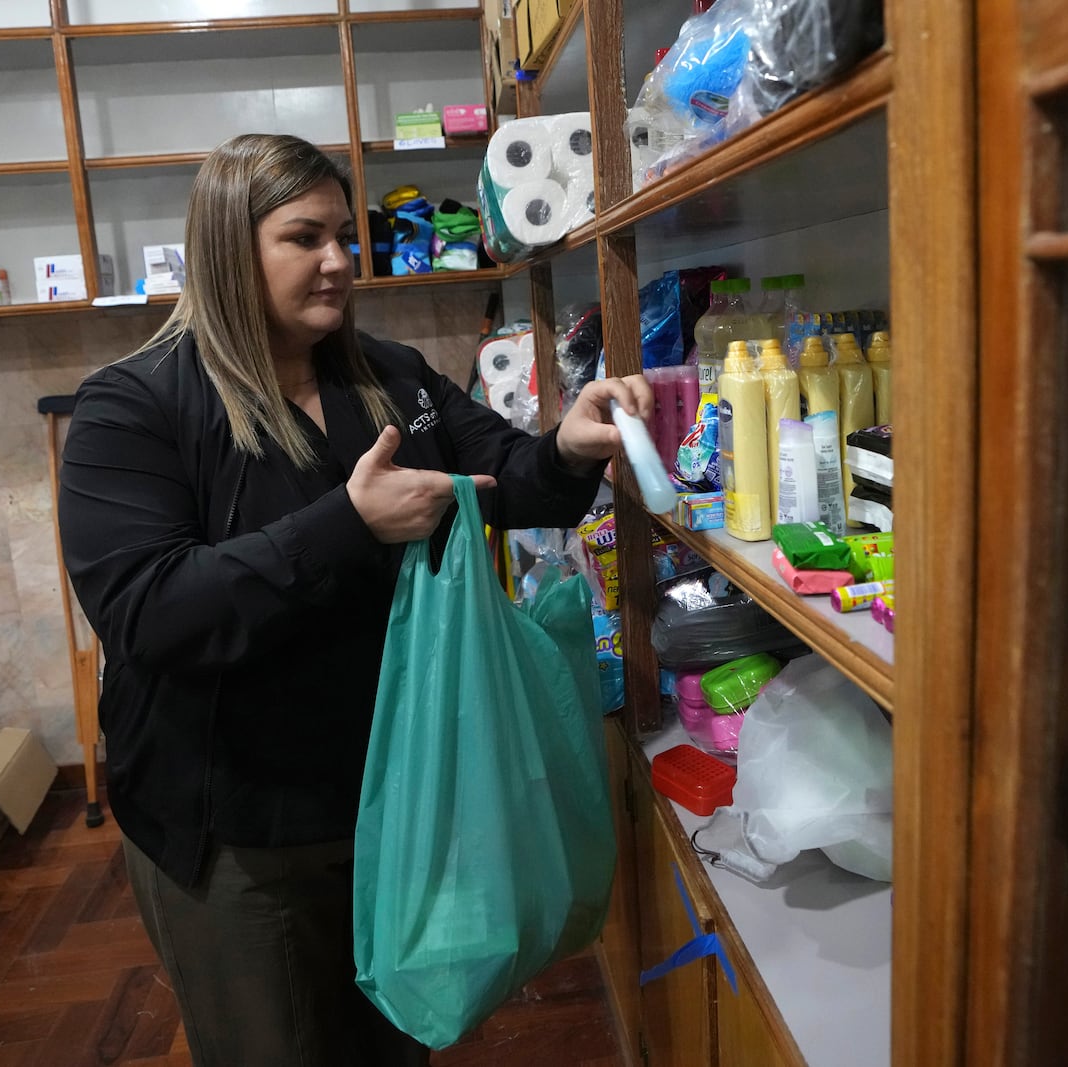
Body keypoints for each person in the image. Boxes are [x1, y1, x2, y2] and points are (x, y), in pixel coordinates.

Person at [57, 132, 652, 1066]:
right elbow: (150, 610)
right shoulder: (133, 408)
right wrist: (347, 523)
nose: (338, 261)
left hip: (401, 801)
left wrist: (570, 444)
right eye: (304, 237)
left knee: (398, 1040)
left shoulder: (390, 377)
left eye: (345, 235)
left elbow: (508, 478)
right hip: (245, 837)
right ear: (228, 248)